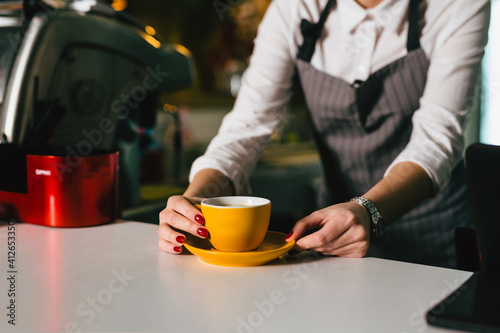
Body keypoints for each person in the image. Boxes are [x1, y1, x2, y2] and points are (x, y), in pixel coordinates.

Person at [158, 0, 490, 268]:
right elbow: (247, 127)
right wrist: (196, 203)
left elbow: (436, 138)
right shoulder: (293, 9)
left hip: (435, 242)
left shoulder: (458, 5)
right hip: (332, 242)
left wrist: (367, 211)